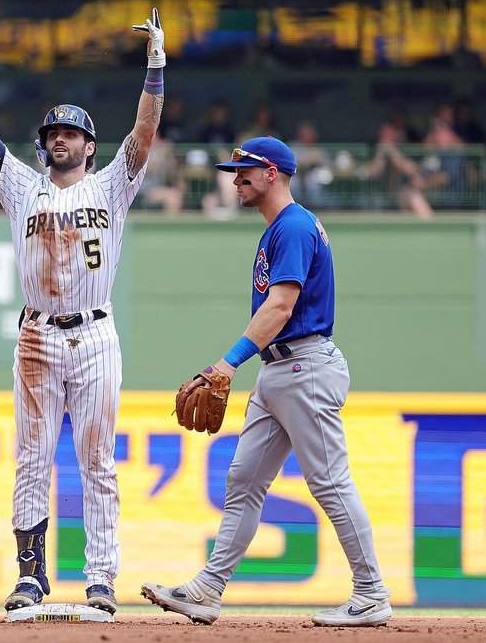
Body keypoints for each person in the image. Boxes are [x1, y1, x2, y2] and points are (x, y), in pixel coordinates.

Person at [0, 6, 165, 614]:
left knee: (98, 460)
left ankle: (100, 579)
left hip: (95, 331)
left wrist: (154, 68)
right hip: (39, 333)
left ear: (89, 146)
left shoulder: (112, 184)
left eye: (69, 132)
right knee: (33, 456)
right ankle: (32, 576)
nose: (58, 138)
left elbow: (143, 137)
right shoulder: (23, 186)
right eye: (51, 133)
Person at [141, 136, 392, 628]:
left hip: (304, 366)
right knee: (245, 480)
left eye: (244, 171)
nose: (236, 179)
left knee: (328, 481)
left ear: (272, 173)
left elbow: (281, 306)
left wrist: (226, 364)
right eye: (235, 172)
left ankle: (371, 592)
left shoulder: (293, 226)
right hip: (281, 370)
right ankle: (208, 590)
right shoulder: (279, 229)